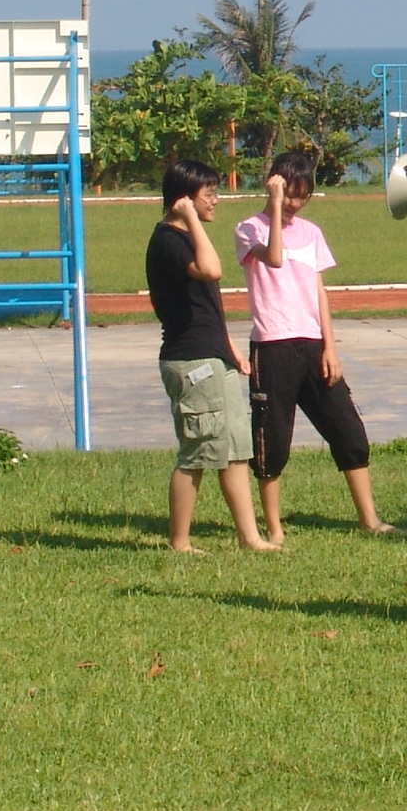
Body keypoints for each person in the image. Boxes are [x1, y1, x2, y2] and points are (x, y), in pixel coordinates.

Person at [233, 149, 395, 546]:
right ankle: (274, 529)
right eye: (290, 193)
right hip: (272, 346)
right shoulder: (249, 229)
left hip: (312, 344)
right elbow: (273, 259)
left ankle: (369, 519)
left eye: (302, 196)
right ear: (274, 185)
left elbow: (318, 291)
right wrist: (274, 206)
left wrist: (330, 347)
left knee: (349, 432)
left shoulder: (311, 233)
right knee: (273, 442)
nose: (295, 203)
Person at [148, 159, 273, 553]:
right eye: (209, 194)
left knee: (234, 450)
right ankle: (179, 542)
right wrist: (190, 219)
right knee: (198, 453)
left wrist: (229, 348)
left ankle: (250, 538)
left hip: (212, 356)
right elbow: (213, 270)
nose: (216, 200)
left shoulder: (188, 236)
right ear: (184, 199)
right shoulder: (169, 240)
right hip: (192, 362)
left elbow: (207, 306)